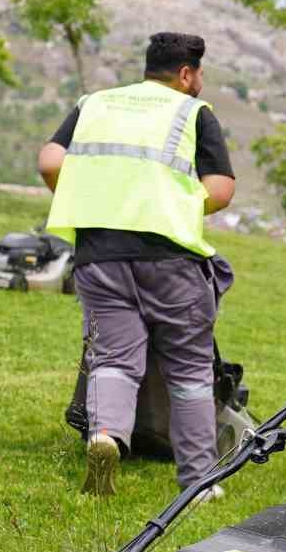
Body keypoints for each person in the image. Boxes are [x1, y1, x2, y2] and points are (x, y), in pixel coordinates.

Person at [40, 32, 237, 499]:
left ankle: (106, 435)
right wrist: (176, 205)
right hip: (168, 256)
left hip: (98, 254)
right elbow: (222, 189)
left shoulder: (96, 103)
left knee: (112, 359)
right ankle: (198, 482)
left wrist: (91, 198)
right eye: (200, 73)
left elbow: (50, 161)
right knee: (189, 371)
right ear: (186, 74)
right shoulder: (193, 112)